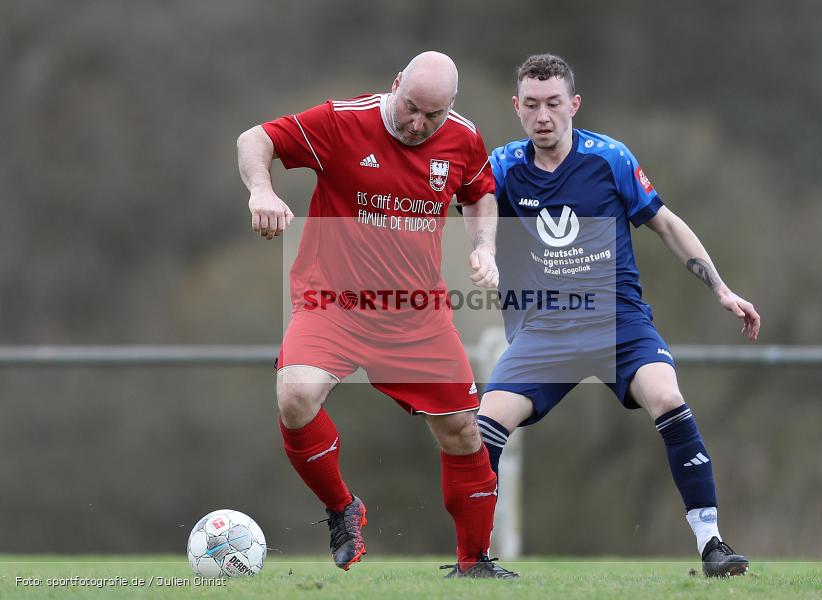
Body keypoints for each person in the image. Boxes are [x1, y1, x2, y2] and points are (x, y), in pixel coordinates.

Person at [476, 54, 761, 578]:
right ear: (516, 107)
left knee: (667, 396)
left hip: (618, 324)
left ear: (573, 105)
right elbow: (477, 207)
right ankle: (473, 559)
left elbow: (667, 224)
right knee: (485, 428)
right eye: (532, 105)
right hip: (544, 329)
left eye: (554, 104)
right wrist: (483, 249)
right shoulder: (501, 167)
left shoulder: (609, 159)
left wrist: (719, 287)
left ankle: (712, 544)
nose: (544, 115)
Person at [236, 51, 516, 578]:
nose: (417, 124)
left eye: (431, 116)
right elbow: (255, 138)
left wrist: (484, 247)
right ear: (395, 86)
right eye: (410, 107)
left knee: (461, 431)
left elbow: (480, 193)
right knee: (295, 397)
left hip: (416, 313)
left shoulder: (462, 137)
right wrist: (262, 190)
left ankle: (474, 563)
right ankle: (343, 508)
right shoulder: (343, 122)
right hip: (332, 303)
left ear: (450, 107)